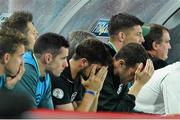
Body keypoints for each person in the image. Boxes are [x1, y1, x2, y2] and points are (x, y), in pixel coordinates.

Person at [51, 39, 112, 112]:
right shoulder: (59, 77)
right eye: (97, 70)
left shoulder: (77, 77)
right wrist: (91, 90)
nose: (97, 75)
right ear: (83, 62)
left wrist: (97, 91)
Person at [12, 33, 69, 109]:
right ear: (48, 58)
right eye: (63, 58)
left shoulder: (45, 75)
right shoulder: (25, 70)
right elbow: (29, 114)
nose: (66, 64)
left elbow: (48, 113)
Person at [98, 43, 154, 112]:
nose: (134, 79)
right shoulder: (102, 74)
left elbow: (126, 108)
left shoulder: (120, 76)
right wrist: (138, 84)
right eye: (134, 74)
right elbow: (113, 115)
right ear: (121, 64)